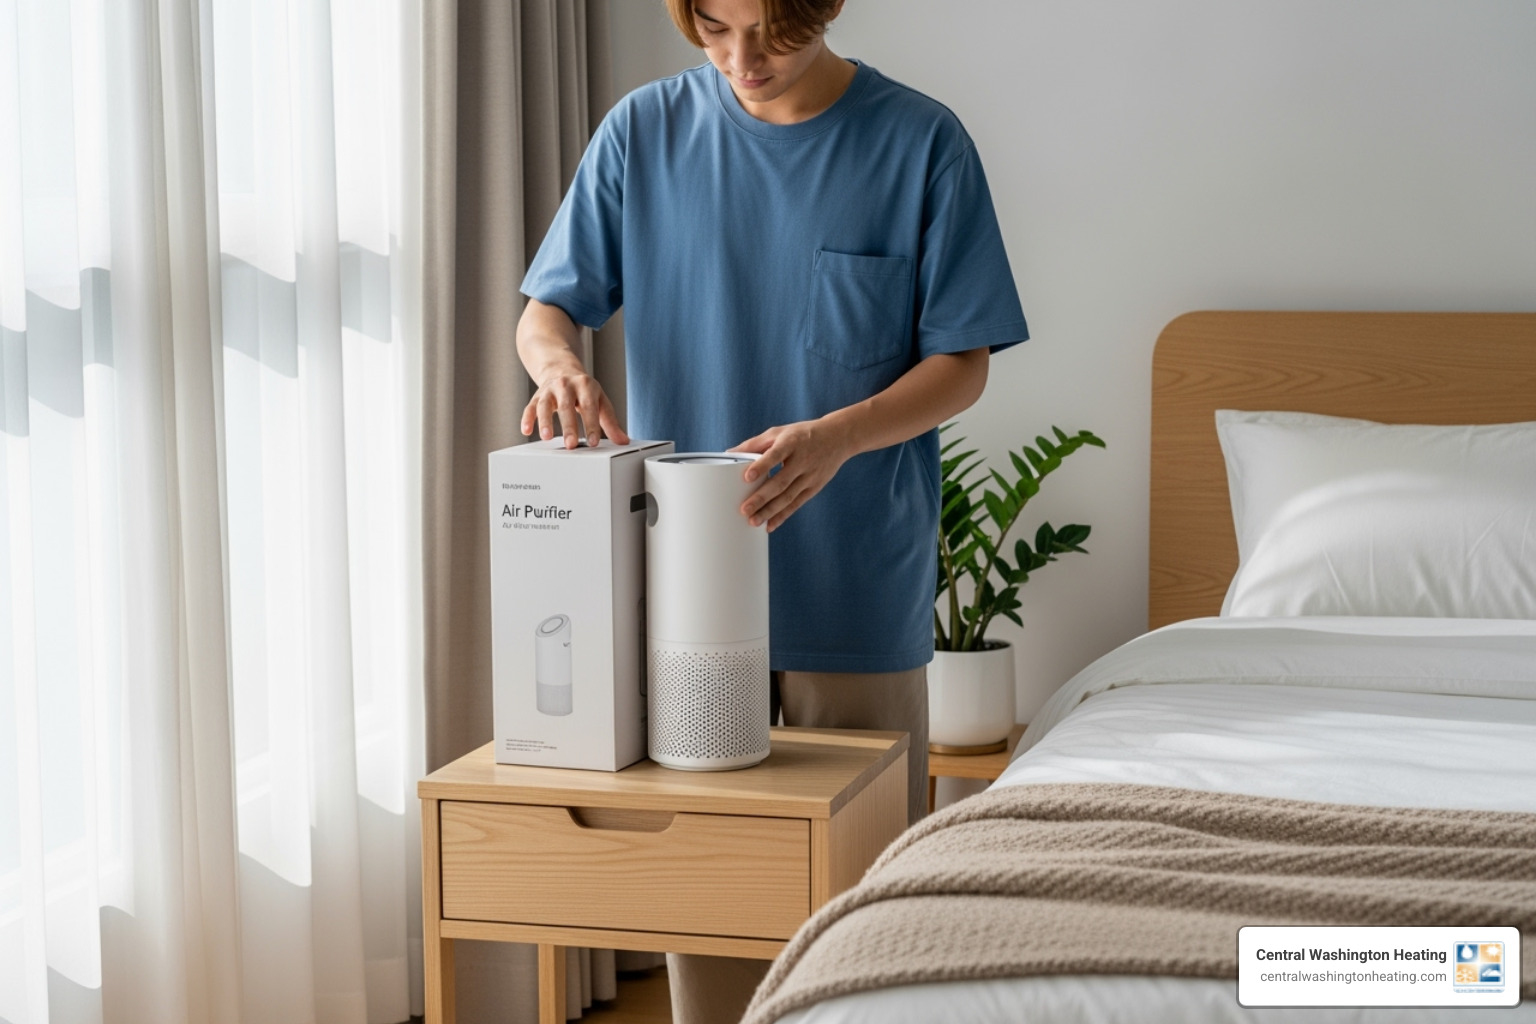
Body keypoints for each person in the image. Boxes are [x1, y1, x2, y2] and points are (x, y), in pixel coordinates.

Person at [516, 0, 1027, 1018]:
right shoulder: (644, 133)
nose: (741, 60)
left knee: (866, 913)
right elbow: (547, 308)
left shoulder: (921, 142)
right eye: (713, 29)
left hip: (854, 584)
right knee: (712, 896)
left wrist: (839, 433)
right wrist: (559, 362)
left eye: (770, 32)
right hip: (691, 596)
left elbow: (962, 364)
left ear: (824, 9)